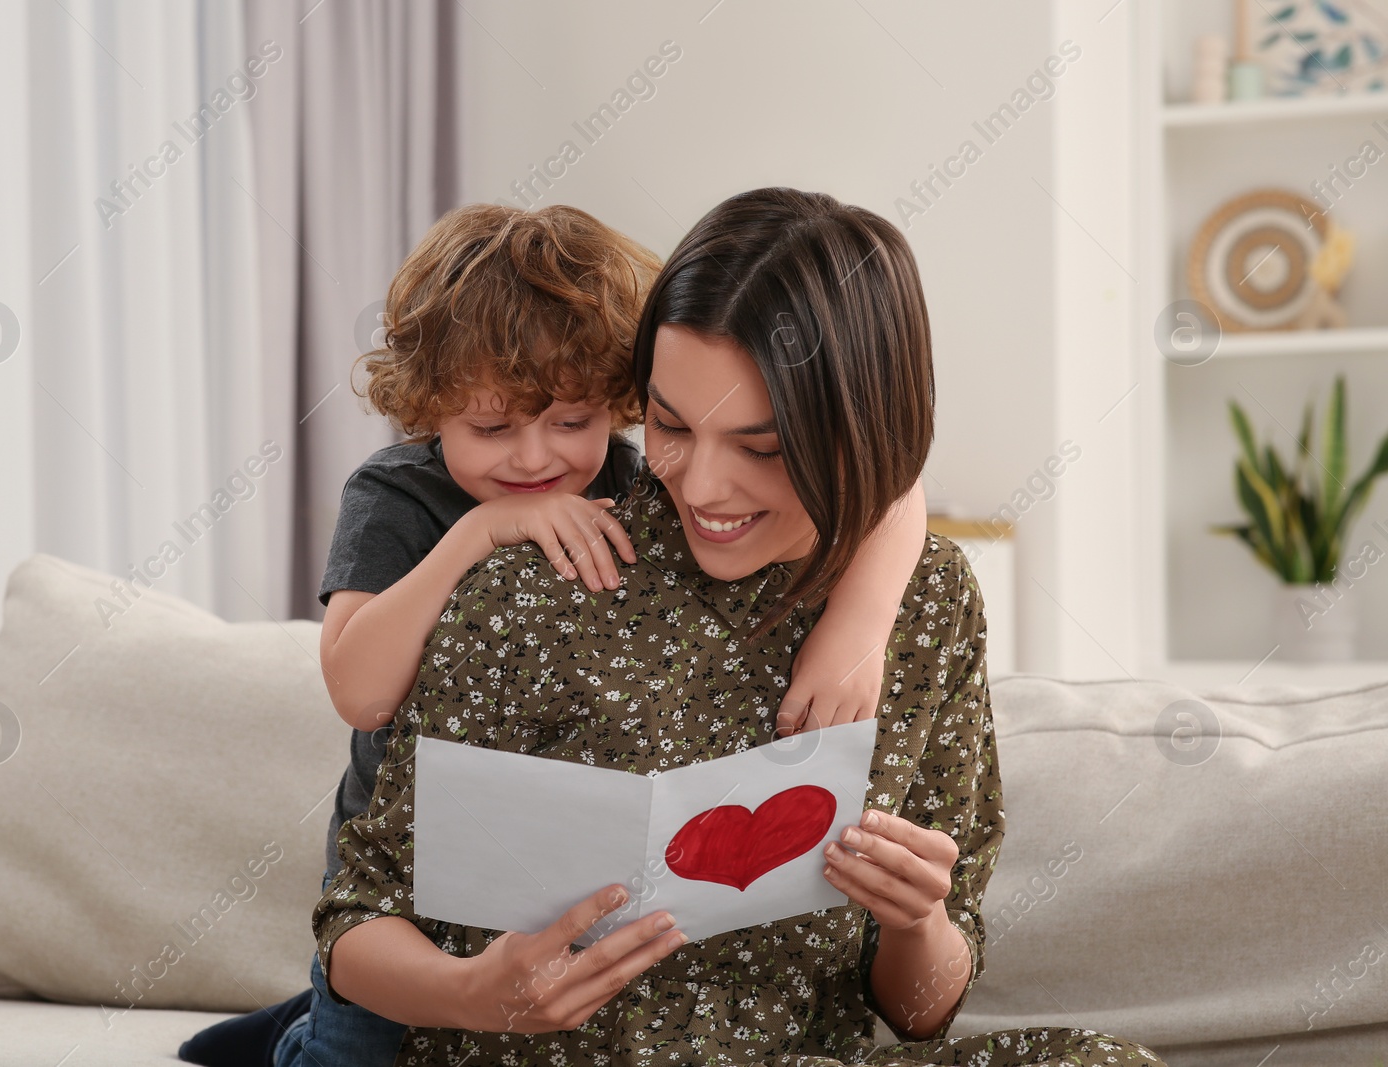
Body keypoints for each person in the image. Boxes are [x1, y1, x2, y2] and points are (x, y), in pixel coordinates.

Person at [306, 187, 1169, 1066]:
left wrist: (918, 918)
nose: (703, 488)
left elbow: (919, 1013)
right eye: (672, 426)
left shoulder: (928, 601)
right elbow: (358, 901)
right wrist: (473, 996)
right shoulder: (542, 568)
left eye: (761, 448)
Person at [179, 200, 929, 1067]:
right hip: (406, 889)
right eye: (491, 428)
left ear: (617, 400)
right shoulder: (400, 497)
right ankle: (295, 1034)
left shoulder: (646, 476)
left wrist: (862, 621)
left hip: (542, 870)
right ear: (428, 408)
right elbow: (360, 688)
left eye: (572, 423)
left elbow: (894, 477)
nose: (535, 460)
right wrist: (480, 531)